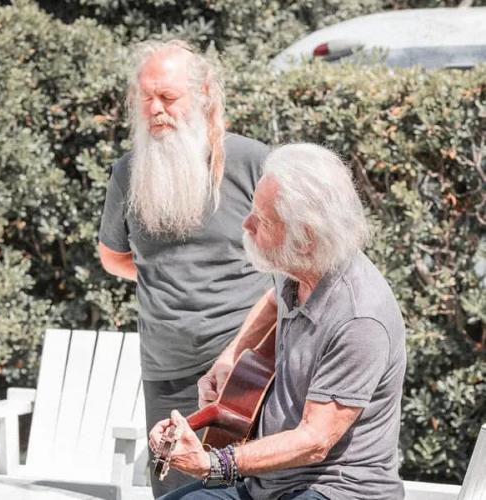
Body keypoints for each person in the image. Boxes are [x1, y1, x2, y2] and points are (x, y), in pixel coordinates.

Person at [149, 144, 407, 500]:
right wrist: (231, 358)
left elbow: (315, 440)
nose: (247, 224)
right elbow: (273, 301)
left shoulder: (360, 318)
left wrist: (215, 464)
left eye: (263, 220)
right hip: (268, 483)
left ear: (306, 239)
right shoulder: (299, 270)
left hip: (336, 490)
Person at [98, 39, 272, 496]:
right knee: (179, 494)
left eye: (169, 98)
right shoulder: (127, 172)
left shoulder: (255, 162)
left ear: (204, 95)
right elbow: (113, 257)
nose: (156, 109)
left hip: (248, 368)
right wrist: (161, 280)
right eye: (146, 99)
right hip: (166, 372)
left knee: (246, 490)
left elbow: (293, 266)